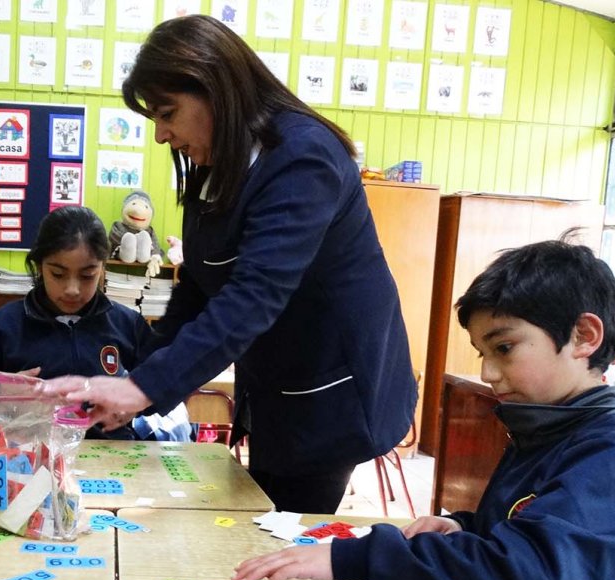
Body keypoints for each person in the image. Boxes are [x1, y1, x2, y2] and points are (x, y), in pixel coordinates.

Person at [39, 14, 416, 513]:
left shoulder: (305, 159)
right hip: (276, 381)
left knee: (286, 525)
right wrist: (139, 373)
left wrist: (141, 387)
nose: (162, 135)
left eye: (168, 113)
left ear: (215, 88)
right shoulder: (219, 163)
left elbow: (252, 295)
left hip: (329, 393)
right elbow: (198, 285)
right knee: (258, 510)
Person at [232, 238, 615, 580]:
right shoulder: (545, 434)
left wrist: (354, 559)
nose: (488, 373)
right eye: (483, 353)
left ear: (584, 336)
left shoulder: (614, 460)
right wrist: (463, 527)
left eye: (504, 348)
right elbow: (527, 533)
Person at [0, 205, 190, 441]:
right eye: (58, 275)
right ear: (40, 266)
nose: (72, 290)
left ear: (102, 268)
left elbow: (168, 385)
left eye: (87, 275)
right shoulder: (5, 325)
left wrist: (138, 401)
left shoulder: (127, 324)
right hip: (30, 459)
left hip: (113, 457)